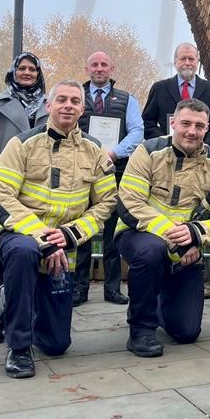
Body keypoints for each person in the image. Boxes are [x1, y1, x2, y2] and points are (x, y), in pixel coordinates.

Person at [0, 81, 119, 378]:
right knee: (24, 253)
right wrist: (40, 236)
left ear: (82, 110)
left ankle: (10, 298)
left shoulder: (95, 151)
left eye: (75, 101)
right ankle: (18, 348)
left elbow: (107, 202)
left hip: (66, 242)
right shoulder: (22, 144)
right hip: (19, 234)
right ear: (49, 105)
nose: (68, 105)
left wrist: (71, 234)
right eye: (61, 99)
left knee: (57, 344)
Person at [116, 98, 210, 357]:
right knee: (150, 252)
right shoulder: (148, 151)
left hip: (190, 245)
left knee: (187, 332)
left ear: (207, 129)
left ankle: (159, 297)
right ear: (172, 122)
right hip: (140, 233)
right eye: (185, 123)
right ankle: (140, 329)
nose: (191, 131)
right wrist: (177, 238)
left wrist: (197, 235)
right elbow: (130, 202)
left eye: (199, 126)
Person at [0, 52, 49, 345]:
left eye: (32, 69)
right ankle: (5, 305)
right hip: (7, 183)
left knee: (35, 248)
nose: (26, 73)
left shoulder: (49, 103)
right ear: (13, 72)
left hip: (39, 186)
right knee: (8, 250)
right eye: (21, 68)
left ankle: (27, 305)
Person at [72, 50, 144, 307]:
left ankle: (112, 288)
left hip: (117, 169)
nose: (99, 68)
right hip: (81, 170)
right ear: (87, 68)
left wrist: (114, 153)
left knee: (113, 230)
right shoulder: (75, 96)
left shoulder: (127, 100)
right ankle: (79, 288)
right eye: (94, 64)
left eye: (104, 64)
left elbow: (137, 131)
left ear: (112, 68)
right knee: (82, 229)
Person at [143, 42, 210, 152]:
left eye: (191, 59)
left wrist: (207, 145)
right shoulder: (159, 88)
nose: (187, 63)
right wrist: (165, 144)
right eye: (183, 59)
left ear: (198, 62)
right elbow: (147, 121)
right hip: (165, 156)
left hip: (204, 155)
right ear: (175, 62)